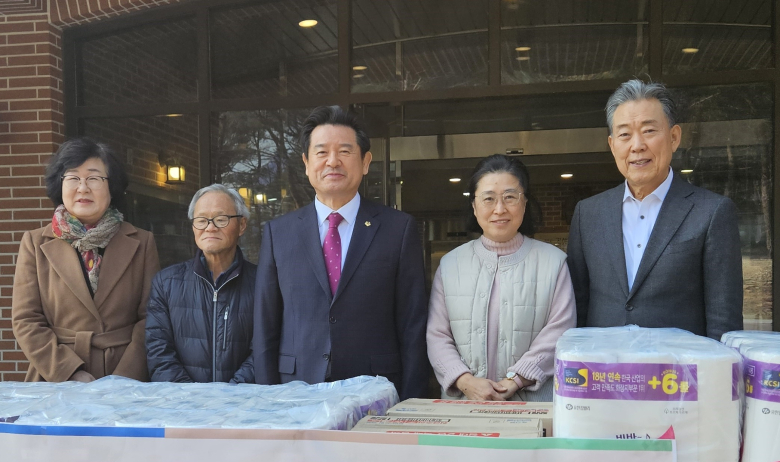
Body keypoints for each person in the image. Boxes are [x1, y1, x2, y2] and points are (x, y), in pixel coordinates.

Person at [253, 105, 429, 399]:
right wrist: (268, 400)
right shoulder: (278, 233)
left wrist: (411, 403)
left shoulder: (398, 230)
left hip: (375, 391)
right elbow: (265, 325)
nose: (332, 161)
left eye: (345, 151)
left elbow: (413, 324)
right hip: (295, 391)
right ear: (306, 162)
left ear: (365, 162)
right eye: (321, 152)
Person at [567, 79, 743, 340]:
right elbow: (577, 307)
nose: (637, 145)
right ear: (612, 145)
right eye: (625, 134)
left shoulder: (712, 212)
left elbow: (723, 320)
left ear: (674, 137)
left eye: (649, 130)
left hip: (679, 365)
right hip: (605, 363)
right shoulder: (588, 214)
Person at [427, 155, 576, 401]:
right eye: (488, 199)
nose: (499, 209)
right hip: (464, 406)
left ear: (524, 203)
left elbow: (561, 330)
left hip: (531, 406)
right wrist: (465, 381)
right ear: (474, 206)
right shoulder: (451, 264)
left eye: (510, 197)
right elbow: (437, 335)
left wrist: (515, 380)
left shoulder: (554, 262)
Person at [12, 138, 159, 382]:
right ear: (59, 185)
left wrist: (123, 379)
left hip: (124, 378)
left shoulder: (142, 242)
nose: (83, 188)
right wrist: (69, 373)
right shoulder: (35, 243)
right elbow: (26, 320)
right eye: (73, 178)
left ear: (112, 186)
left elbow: (151, 319)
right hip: (56, 377)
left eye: (93, 178)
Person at [146, 184, 255, 383]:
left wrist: (233, 394)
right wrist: (190, 396)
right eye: (202, 220)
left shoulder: (262, 283)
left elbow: (263, 350)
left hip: (244, 398)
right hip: (182, 399)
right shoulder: (166, 283)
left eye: (221, 219)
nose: (210, 227)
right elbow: (159, 353)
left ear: (242, 225)